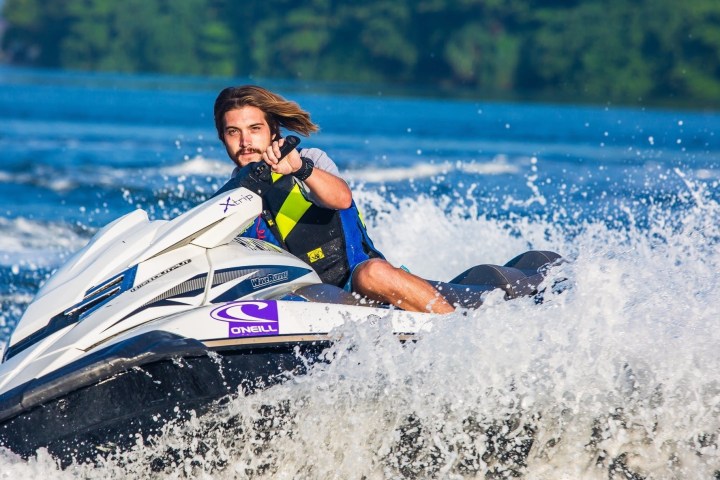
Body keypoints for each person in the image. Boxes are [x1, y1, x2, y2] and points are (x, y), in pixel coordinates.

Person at [213, 85, 454, 314]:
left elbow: (341, 198)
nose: (245, 142)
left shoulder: (309, 160)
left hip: (356, 278)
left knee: (373, 274)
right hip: (297, 296)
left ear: (273, 131)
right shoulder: (225, 201)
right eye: (233, 132)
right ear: (222, 137)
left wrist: (300, 169)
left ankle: (455, 329)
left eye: (255, 129)